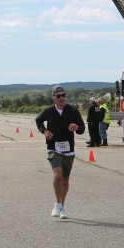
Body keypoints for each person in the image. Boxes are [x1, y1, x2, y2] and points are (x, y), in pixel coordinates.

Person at [35, 87, 86, 220]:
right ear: (53, 98)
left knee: (65, 179)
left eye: (63, 95)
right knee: (58, 175)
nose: (62, 98)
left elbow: (82, 128)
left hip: (68, 149)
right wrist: (45, 131)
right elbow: (38, 120)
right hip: (53, 147)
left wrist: (77, 128)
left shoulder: (72, 111)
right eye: (58, 96)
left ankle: (61, 206)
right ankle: (58, 205)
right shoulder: (49, 111)